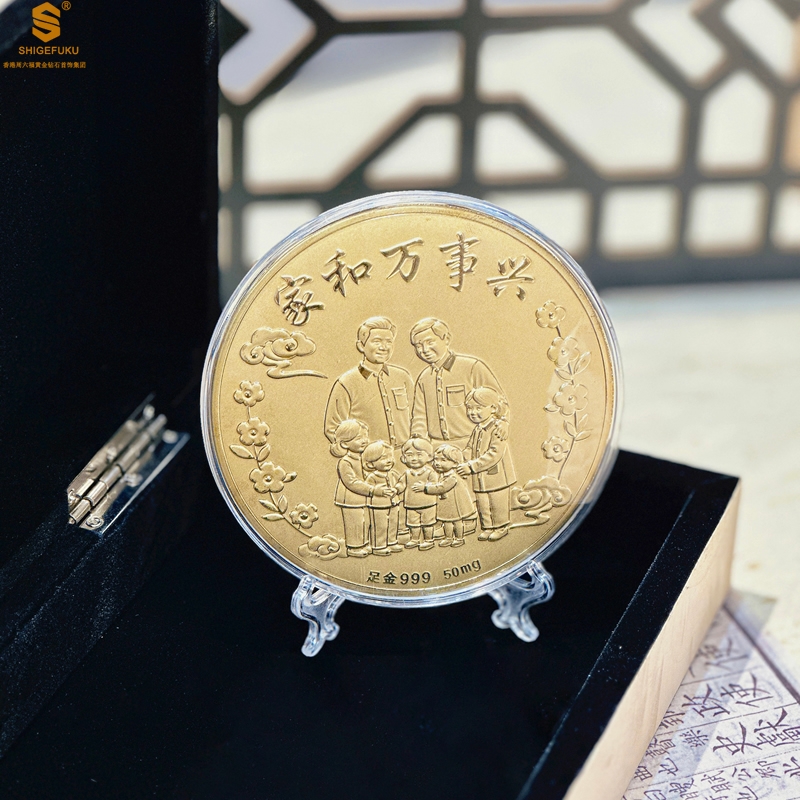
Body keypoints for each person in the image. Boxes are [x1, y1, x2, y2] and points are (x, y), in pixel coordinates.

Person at [409, 317, 506, 449]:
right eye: (418, 346)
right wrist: (418, 442)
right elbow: (419, 417)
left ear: (446, 339)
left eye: (430, 342)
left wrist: (503, 422)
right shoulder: (424, 378)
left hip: (474, 445)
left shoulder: (473, 367)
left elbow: (500, 403)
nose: (424, 349)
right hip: (437, 449)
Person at [324, 317, 413, 451]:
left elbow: (417, 417)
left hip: (405, 457)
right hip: (367, 460)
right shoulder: (346, 382)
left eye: (389, 342)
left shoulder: (403, 377)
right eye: (377, 341)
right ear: (361, 346)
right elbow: (333, 428)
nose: (384, 347)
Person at [456, 387, 516, 541]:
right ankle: (488, 527)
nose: (472, 412)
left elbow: (494, 454)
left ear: (493, 408)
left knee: (497, 502)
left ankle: (501, 526)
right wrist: (460, 457)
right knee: (483, 502)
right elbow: (470, 448)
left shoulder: (498, 429)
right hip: (480, 477)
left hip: (497, 476)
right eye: (470, 408)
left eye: (478, 408)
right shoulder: (477, 429)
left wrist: (471, 466)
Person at [330, 419, 393, 558]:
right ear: (345, 443)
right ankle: (354, 547)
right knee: (355, 523)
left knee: (365, 521)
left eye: (365, 436)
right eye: (359, 438)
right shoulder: (345, 462)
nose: (365, 440)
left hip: (364, 497)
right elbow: (351, 482)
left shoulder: (362, 458)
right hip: (350, 499)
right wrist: (373, 490)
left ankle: (364, 544)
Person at [413, 444, 475, 548]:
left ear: (455, 463)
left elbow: (441, 488)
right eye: (436, 459)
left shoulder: (452, 477)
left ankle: (459, 538)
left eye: (443, 460)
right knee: (446, 522)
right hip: (447, 505)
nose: (437, 463)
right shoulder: (442, 475)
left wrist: (425, 488)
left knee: (457, 522)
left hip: (455, 506)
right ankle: (448, 537)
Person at [394, 437, 437, 551]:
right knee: (413, 524)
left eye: (419, 455)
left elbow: (435, 485)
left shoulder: (430, 472)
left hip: (428, 504)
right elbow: (401, 484)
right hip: (411, 505)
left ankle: (429, 540)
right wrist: (396, 489)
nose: (414, 458)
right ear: (403, 458)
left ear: (429, 456)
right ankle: (415, 539)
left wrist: (425, 487)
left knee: (428, 524)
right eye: (409, 455)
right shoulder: (407, 473)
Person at [362, 440, 403, 555]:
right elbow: (368, 489)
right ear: (371, 463)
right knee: (380, 526)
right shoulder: (372, 477)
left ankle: (392, 542)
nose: (389, 460)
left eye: (390, 457)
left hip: (394, 504)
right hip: (378, 506)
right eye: (383, 458)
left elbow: (402, 483)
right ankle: (378, 546)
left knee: (393, 523)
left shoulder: (393, 473)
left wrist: (397, 489)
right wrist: (378, 491)